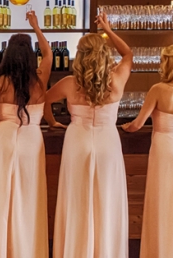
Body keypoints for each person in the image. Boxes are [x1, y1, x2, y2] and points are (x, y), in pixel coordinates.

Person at [44, 13, 133, 258]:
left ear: (80, 56)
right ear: (104, 55)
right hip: (107, 142)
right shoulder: (116, 81)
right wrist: (108, 29)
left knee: (77, 200)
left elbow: (42, 100)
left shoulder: (69, 83)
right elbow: (128, 54)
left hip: (77, 141)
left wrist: (52, 122)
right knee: (106, 199)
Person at [122, 14, 173, 258]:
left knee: (167, 203)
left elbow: (138, 124)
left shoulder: (158, 90)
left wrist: (126, 127)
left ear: (166, 64)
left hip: (166, 148)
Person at [0, 11, 52, 257]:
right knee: (29, 197)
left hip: (3, 139)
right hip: (31, 141)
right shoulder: (40, 79)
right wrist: (36, 27)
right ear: (31, 56)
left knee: (0, 196)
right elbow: (49, 53)